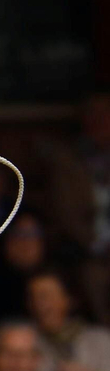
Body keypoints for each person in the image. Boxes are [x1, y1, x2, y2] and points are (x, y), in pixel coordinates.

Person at [41, 89, 110, 323]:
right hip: (87, 249)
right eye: (93, 113)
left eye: (106, 113)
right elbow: (66, 214)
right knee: (93, 277)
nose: (100, 119)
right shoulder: (66, 159)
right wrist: (96, 245)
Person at [24, 268, 110, 371]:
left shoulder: (100, 340)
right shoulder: (26, 341)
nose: (38, 304)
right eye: (32, 297)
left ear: (68, 299)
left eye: (45, 296)